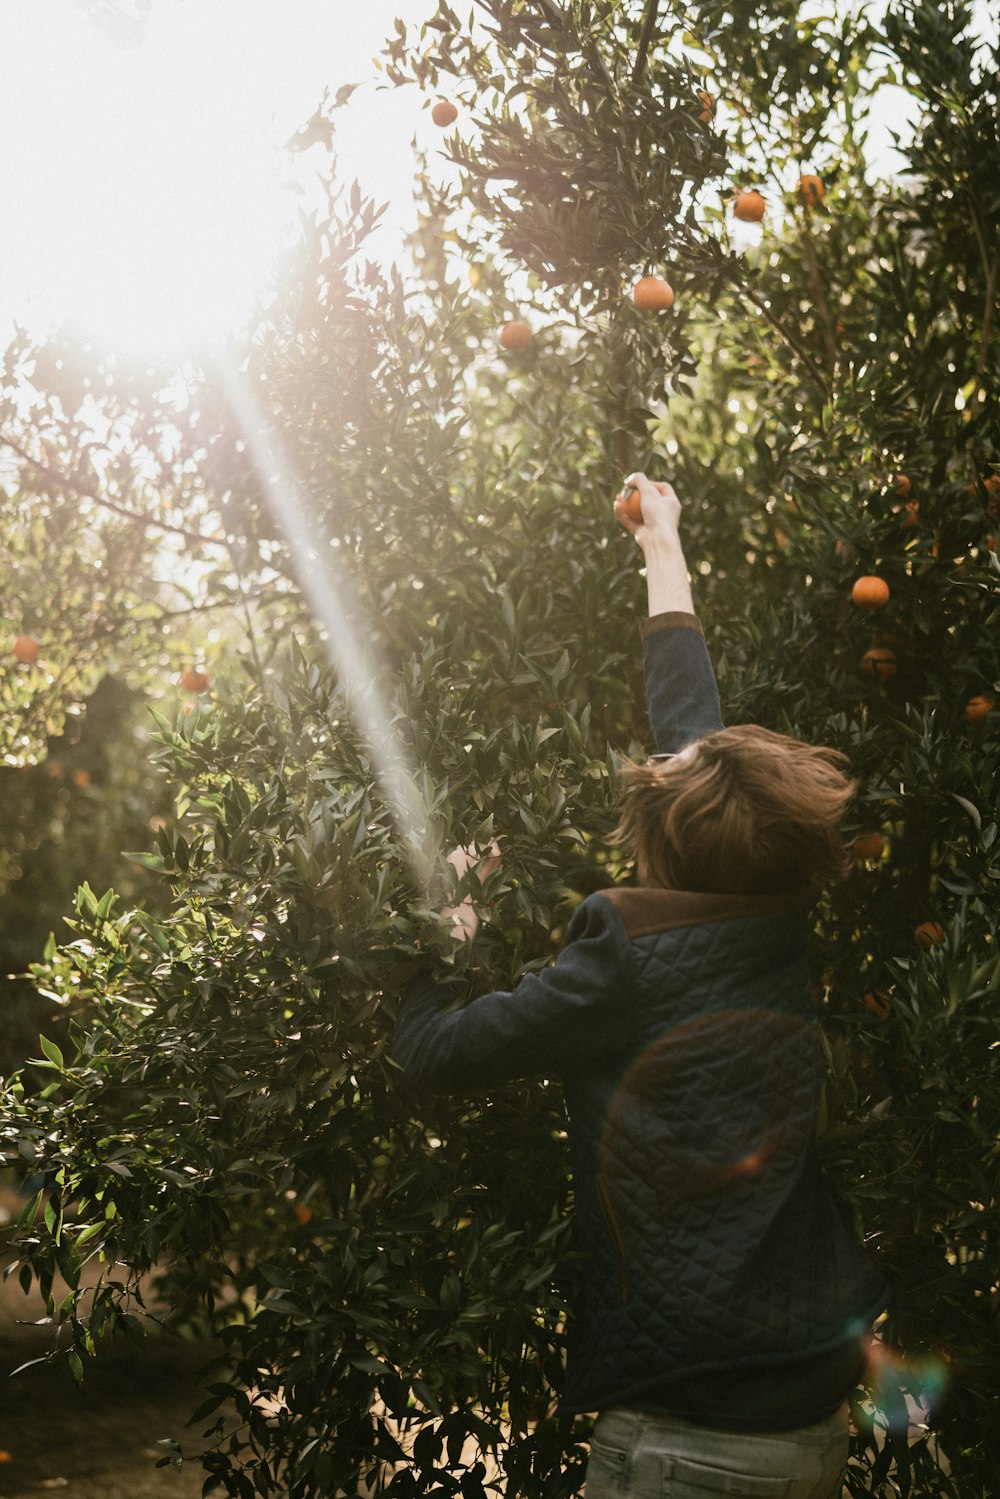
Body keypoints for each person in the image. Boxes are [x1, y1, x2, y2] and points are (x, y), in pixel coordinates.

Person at [392, 472, 887, 1499]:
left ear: (665, 831)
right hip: (808, 1416)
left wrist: (430, 936)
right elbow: (690, 731)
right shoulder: (777, 914)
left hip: (688, 1436)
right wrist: (663, 544)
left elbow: (434, 1052)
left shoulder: (618, 960)